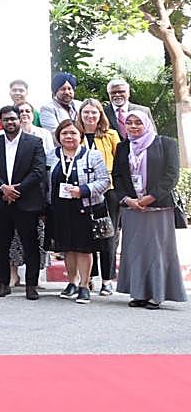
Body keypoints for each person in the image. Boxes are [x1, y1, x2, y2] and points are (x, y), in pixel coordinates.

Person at [114, 111, 187, 309]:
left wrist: (149, 198)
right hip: (132, 209)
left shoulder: (166, 143)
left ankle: (157, 294)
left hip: (158, 208)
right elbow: (117, 177)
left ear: (146, 123)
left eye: (138, 122)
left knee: (158, 252)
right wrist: (128, 200)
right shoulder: (122, 147)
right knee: (135, 252)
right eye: (129, 123)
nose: (134, 126)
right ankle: (139, 293)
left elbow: (171, 175)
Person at [0, 105, 48, 300]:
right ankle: (3, 283)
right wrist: (3, 188)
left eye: (13, 118)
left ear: (20, 119)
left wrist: (16, 190)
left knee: (30, 245)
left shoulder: (34, 142)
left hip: (26, 202)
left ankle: (31, 285)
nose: (10, 122)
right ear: (1, 122)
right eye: (6, 119)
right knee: (1, 245)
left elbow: (38, 171)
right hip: (1, 202)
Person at [47, 119, 111, 305]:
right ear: (58, 136)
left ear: (80, 136)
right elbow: (45, 183)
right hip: (60, 209)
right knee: (67, 248)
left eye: (73, 133)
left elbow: (104, 181)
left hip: (85, 208)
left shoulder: (93, 155)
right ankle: (71, 282)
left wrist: (83, 190)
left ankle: (84, 285)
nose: (69, 136)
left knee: (84, 248)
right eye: (64, 133)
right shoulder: (52, 155)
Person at [78, 98, 121, 295]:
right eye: (86, 112)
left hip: (107, 192)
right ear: (80, 115)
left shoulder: (110, 135)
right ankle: (90, 278)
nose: (90, 116)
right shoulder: (75, 135)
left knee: (107, 236)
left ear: (100, 115)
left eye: (94, 112)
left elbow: (120, 164)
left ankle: (107, 280)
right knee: (86, 235)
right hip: (82, 192)